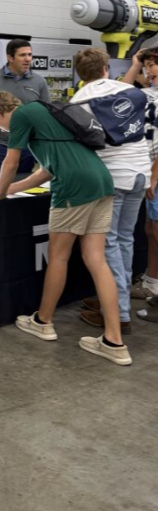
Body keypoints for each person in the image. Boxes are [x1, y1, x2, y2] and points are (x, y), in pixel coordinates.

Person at [0, 90, 131, 366]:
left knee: (58, 257)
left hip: (73, 189)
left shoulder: (21, 117)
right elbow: (46, 171)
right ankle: (114, 341)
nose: (1, 128)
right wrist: (11, 188)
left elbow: (11, 160)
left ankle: (43, 321)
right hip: (100, 181)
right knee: (97, 261)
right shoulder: (43, 113)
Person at [70, 48, 152, 334]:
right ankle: (117, 302)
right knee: (126, 241)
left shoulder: (79, 100)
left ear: (80, 74)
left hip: (112, 178)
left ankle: (116, 313)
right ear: (106, 67)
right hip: (142, 172)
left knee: (109, 245)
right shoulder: (129, 90)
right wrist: (134, 64)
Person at [0, 39, 50, 175]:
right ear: (10, 57)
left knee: (24, 191)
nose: (28, 59)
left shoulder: (39, 81)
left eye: (30, 55)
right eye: (22, 55)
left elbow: (46, 114)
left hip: (27, 148)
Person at [122, 49, 158, 306]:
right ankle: (152, 281)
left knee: (156, 230)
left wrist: (154, 177)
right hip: (146, 168)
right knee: (149, 229)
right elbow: (116, 94)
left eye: (154, 65)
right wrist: (135, 65)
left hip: (155, 172)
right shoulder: (145, 94)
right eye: (147, 66)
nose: (150, 70)